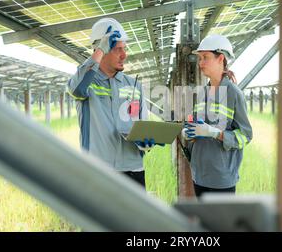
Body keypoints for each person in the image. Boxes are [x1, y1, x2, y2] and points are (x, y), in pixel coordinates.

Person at [67, 18, 161, 188]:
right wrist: (100, 49)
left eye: (124, 48)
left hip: (134, 170)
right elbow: (75, 89)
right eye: (118, 49)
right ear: (101, 49)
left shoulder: (134, 85)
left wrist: (145, 143)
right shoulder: (86, 83)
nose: (124, 55)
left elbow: (142, 124)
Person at [183, 34, 253, 197]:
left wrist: (215, 133)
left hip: (221, 180)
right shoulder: (202, 93)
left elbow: (246, 136)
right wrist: (190, 133)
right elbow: (196, 125)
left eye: (205, 57)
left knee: (220, 223)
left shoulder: (233, 94)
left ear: (220, 58)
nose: (200, 63)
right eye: (200, 58)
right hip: (199, 175)